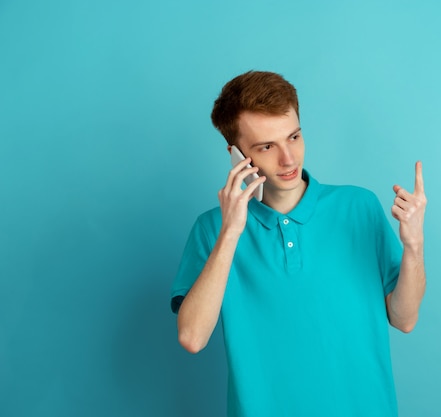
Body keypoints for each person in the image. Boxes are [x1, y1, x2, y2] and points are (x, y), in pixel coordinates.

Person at [170, 70, 427, 417]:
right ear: (236, 155)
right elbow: (192, 338)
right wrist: (231, 231)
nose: (288, 159)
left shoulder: (359, 207)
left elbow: (404, 318)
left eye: (293, 137)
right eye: (266, 146)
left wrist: (414, 246)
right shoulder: (211, 230)